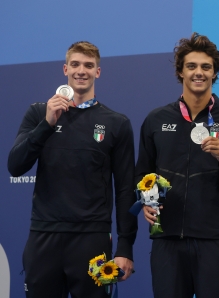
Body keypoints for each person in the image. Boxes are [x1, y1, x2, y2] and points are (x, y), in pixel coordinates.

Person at [8, 41, 137, 297]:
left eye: (89, 65)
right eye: (75, 64)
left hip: (92, 239)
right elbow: (15, 166)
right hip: (44, 236)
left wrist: (125, 247)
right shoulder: (38, 113)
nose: (81, 71)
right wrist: (46, 123)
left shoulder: (116, 123)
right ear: (65, 69)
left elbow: (124, 189)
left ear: (97, 72)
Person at [135, 33, 219, 298]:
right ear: (180, 72)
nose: (199, 72)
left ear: (214, 73)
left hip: (214, 243)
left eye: (206, 67)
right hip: (167, 242)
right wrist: (144, 200)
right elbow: (141, 173)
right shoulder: (155, 120)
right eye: (191, 66)